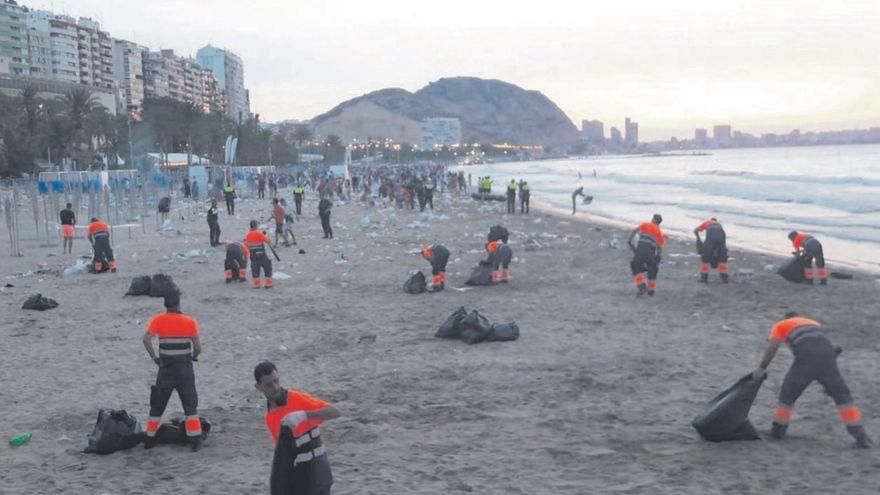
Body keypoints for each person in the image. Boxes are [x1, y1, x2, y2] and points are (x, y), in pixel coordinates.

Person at [752, 313, 871, 448]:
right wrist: (828, 381)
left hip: (806, 358)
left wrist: (761, 368)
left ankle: (778, 430)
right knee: (842, 397)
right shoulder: (812, 323)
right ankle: (861, 436)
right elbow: (825, 346)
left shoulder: (781, 325)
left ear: (786, 319)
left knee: (788, 393)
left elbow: (772, 348)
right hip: (829, 356)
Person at [254, 361, 341, 495]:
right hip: (299, 478)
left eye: (276, 381)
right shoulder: (270, 417)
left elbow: (334, 411)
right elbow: (282, 456)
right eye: (269, 384)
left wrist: (304, 415)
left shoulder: (297, 399)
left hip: (318, 472)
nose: (275, 387)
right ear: (259, 387)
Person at [142, 291, 204, 451]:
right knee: (190, 406)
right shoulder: (189, 321)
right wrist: (194, 356)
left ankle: (149, 438)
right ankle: (195, 440)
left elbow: (146, 339)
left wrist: (155, 357)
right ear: (179, 303)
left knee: (157, 405)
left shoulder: (158, 320)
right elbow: (198, 347)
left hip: (165, 369)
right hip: (184, 369)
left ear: (165, 305)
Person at [627, 214, 664, 296]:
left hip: (640, 251)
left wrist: (629, 241)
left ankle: (642, 286)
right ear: (659, 223)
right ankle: (651, 290)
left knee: (635, 266)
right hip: (650, 253)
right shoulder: (659, 232)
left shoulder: (645, 225)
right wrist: (658, 257)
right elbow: (659, 247)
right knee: (653, 270)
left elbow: (634, 231)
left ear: (653, 219)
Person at [694, 217, 729, 283]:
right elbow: (723, 238)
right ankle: (724, 278)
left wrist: (698, 238)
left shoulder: (707, 222)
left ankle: (704, 278)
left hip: (711, 234)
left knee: (705, 257)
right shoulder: (719, 225)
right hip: (721, 234)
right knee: (722, 258)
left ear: (711, 220)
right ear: (716, 220)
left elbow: (696, 230)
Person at [246, 220, 274, 288]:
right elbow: (268, 241)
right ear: (256, 226)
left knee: (255, 269)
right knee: (267, 267)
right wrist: (266, 236)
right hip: (261, 254)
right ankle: (268, 284)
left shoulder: (248, 235)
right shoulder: (259, 234)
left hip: (252, 255)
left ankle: (256, 284)